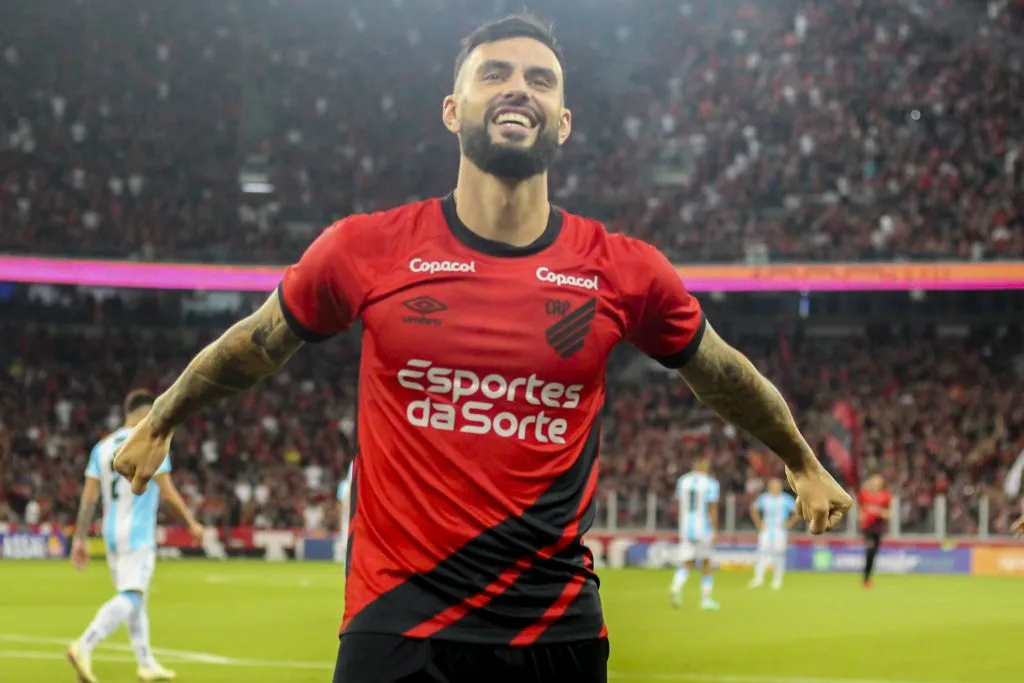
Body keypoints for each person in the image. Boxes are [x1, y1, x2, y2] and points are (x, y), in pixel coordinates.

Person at [111, 13, 852, 683]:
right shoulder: (364, 249)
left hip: (554, 628)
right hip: (397, 625)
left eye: (540, 79)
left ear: (564, 121)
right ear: (452, 108)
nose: (517, 88)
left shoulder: (625, 270)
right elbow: (256, 343)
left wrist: (801, 459)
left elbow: (720, 371)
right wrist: (162, 418)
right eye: (494, 73)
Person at [66, 390, 204, 683]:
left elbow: (89, 498)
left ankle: (146, 663)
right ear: (145, 413)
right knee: (132, 595)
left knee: (134, 596)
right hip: (138, 532)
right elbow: (167, 492)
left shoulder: (102, 447)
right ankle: (84, 644)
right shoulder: (150, 441)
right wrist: (191, 523)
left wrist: (79, 538)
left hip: (111, 533)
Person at [669, 456, 720, 610]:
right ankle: (706, 600)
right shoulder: (710, 483)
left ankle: (675, 587)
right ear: (702, 464)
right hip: (703, 528)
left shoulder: (683, 481)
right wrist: (715, 530)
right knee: (706, 563)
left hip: (685, 528)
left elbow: (679, 504)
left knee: (688, 563)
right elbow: (712, 508)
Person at [749, 477, 798, 590]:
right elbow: (754, 509)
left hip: (780, 531)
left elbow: (797, 512)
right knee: (761, 554)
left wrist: (788, 524)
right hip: (766, 530)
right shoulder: (764, 498)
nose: (775, 488)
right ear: (769, 487)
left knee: (779, 555)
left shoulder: (786, 499)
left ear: (780, 487)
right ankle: (758, 579)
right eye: (773, 485)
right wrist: (759, 523)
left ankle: (777, 580)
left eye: (777, 485)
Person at [857, 473, 891, 588]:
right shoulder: (864, 494)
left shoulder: (885, 496)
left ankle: (867, 578)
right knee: (870, 549)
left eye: (879, 482)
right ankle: (866, 579)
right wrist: (862, 516)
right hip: (867, 527)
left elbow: (888, 513)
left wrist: (878, 512)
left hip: (878, 528)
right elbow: (860, 510)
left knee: (873, 553)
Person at [336, 461, 354, 565]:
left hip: (347, 520)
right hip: (349, 520)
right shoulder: (344, 486)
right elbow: (339, 505)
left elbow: (339, 505)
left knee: (347, 546)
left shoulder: (343, 486)